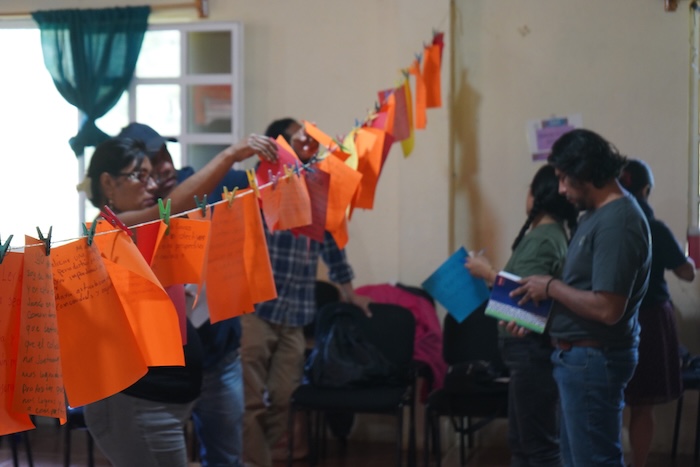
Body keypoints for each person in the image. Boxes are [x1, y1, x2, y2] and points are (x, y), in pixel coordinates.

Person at [81, 135, 277, 467]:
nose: (152, 183)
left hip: (163, 401)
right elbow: (171, 208)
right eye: (139, 176)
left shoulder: (140, 230)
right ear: (108, 184)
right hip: (136, 404)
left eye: (151, 175)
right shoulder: (105, 229)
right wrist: (230, 154)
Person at [510, 129, 652, 467]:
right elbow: (581, 289)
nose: (560, 189)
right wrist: (538, 317)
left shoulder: (619, 222)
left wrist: (550, 287)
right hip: (579, 358)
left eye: (563, 179)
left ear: (585, 171)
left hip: (593, 360)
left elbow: (607, 308)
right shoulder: (596, 217)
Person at [240, 117, 371, 467]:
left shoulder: (314, 186)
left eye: (306, 140)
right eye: (297, 141)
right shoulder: (257, 187)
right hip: (254, 309)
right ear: (276, 146)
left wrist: (350, 292)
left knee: (284, 397)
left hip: (295, 312)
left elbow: (332, 247)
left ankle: (257, 458)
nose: (306, 146)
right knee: (250, 401)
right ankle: (256, 463)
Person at [466, 164, 577, 467]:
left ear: (537, 196)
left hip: (532, 353)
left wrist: (488, 273)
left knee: (537, 446)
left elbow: (525, 304)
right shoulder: (547, 235)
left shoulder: (544, 237)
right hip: (526, 355)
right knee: (522, 443)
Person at [619, 159, 695, 467]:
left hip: (608, 318)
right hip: (650, 320)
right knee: (643, 404)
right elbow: (687, 274)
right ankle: (638, 464)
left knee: (610, 400)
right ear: (646, 189)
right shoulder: (655, 228)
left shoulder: (606, 224)